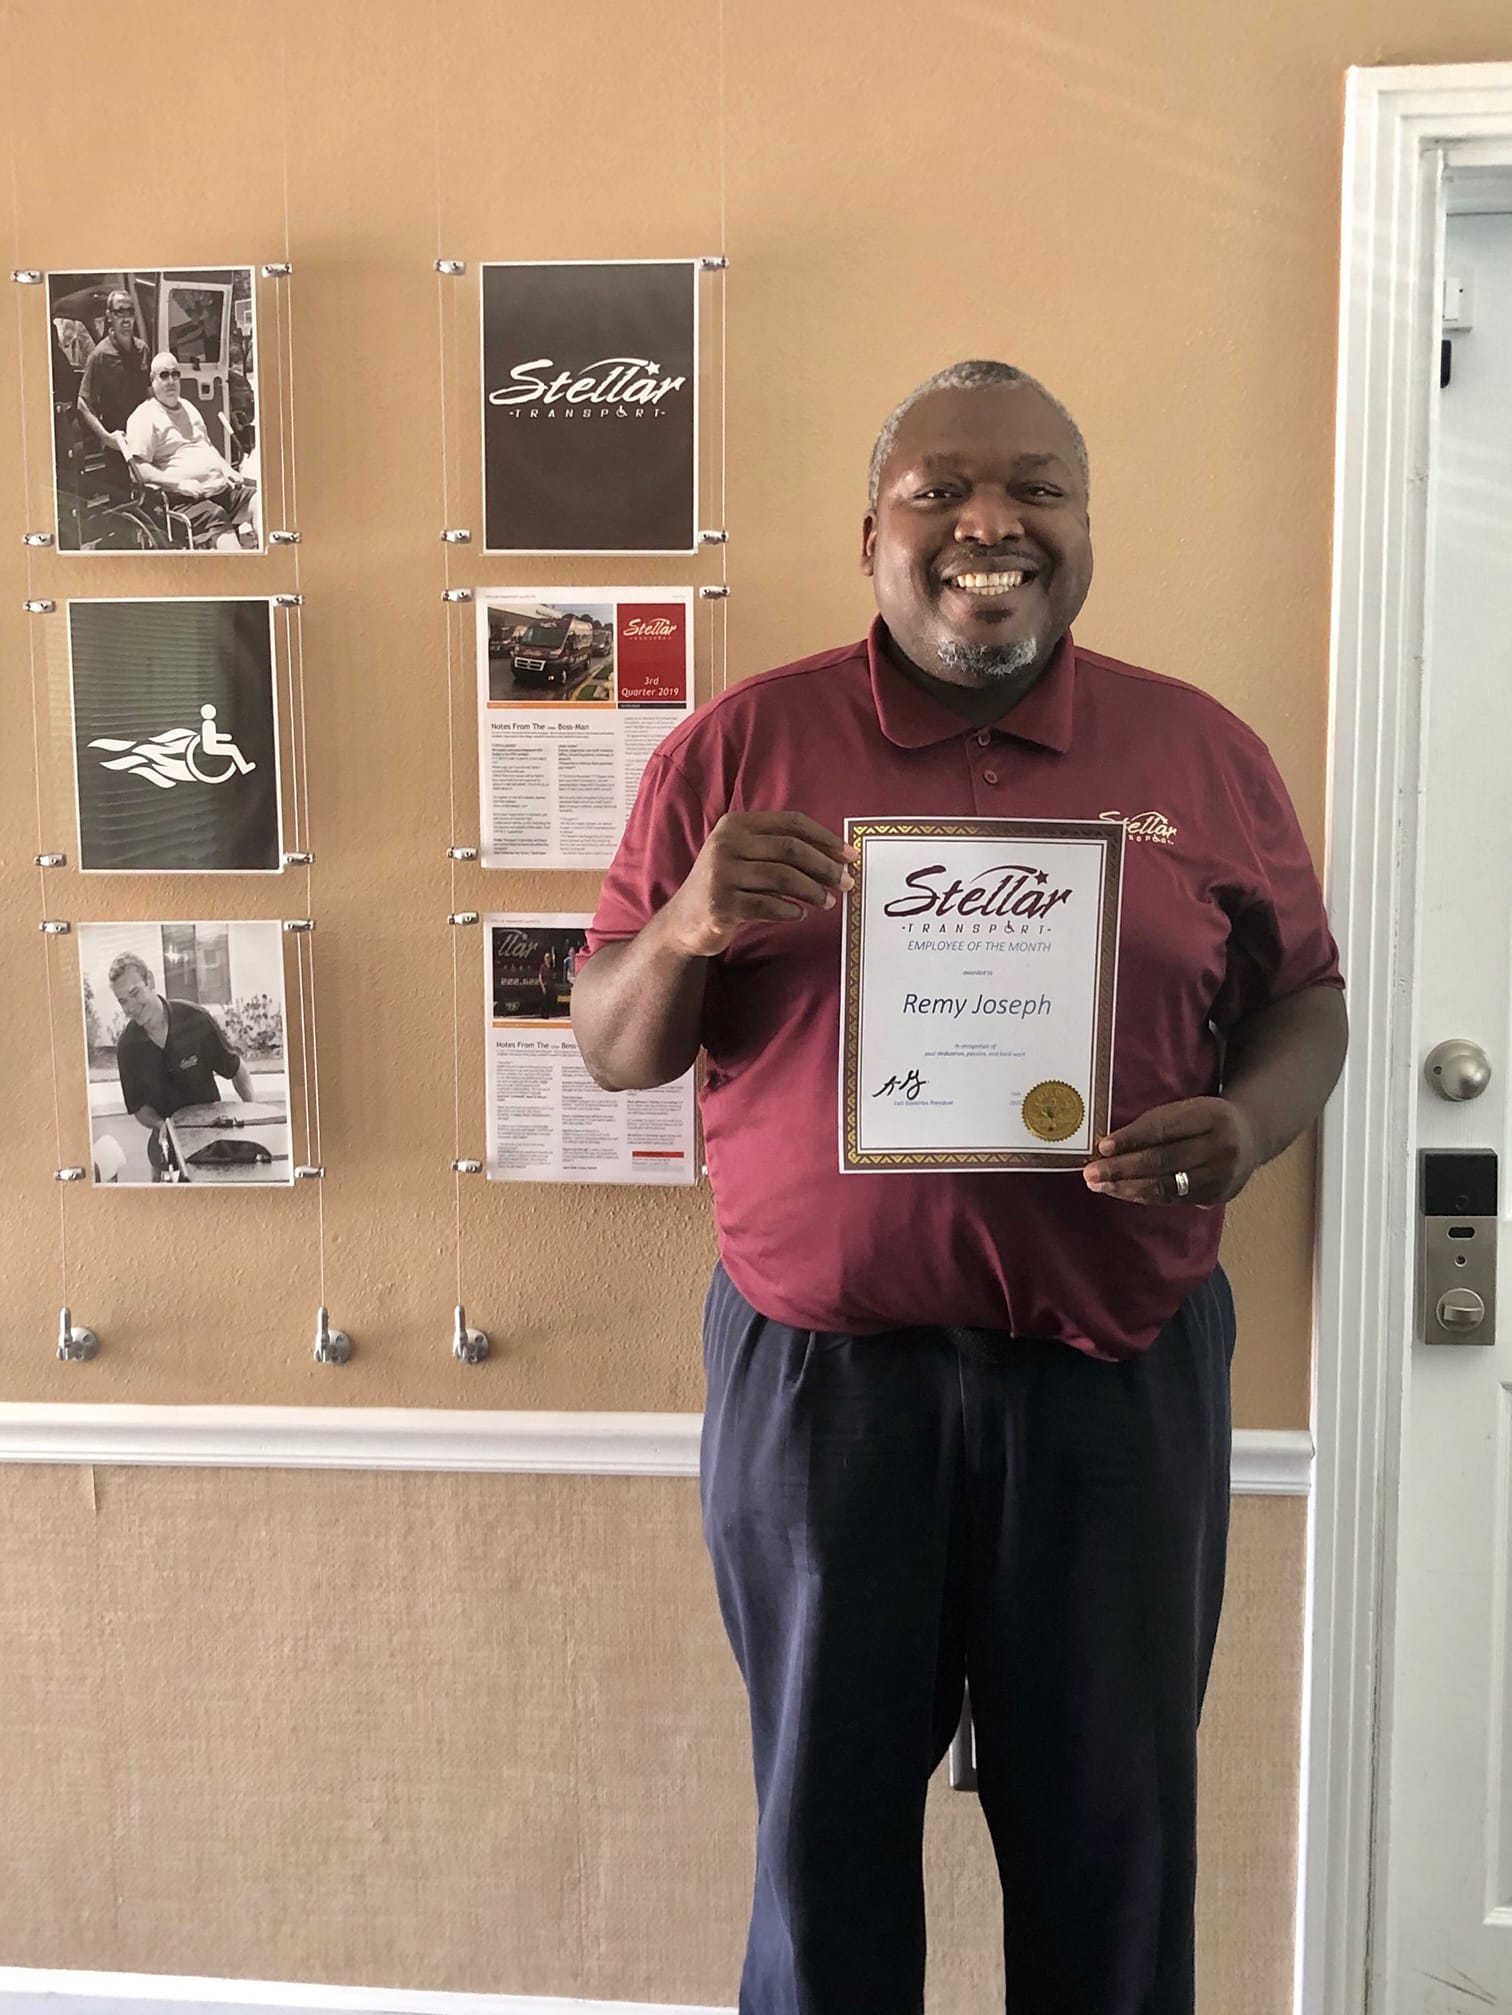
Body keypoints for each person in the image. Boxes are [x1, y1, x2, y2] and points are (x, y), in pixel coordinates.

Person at [572, 359, 1349, 2015]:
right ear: (872, 535)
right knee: (823, 1855)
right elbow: (616, 1047)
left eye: (1035, 489)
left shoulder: (1199, 750)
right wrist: (691, 922)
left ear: (1084, 528)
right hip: (824, 1391)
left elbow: (1305, 1000)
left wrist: (1250, 1119)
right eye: (940, 491)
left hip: (1115, 1379)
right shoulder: (741, 745)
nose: (989, 521)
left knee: (1112, 1853)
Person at [108, 951, 255, 1181]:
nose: (131, 1008)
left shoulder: (196, 1019)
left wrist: (253, 1116)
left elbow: (236, 1069)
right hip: (166, 1144)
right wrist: (161, 1125)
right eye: (123, 1001)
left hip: (212, 1137)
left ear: (151, 981)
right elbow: (139, 1107)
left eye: (135, 993)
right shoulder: (127, 1047)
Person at [123, 353, 259, 550]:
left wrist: (226, 469)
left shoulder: (188, 407)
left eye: (175, 374)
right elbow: (138, 470)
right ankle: (238, 567)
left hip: (218, 490)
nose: (171, 381)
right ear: (152, 380)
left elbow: (206, 446)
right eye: (164, 375)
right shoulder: (144, 416)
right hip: (184, 500)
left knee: (258, 502)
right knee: (216, 515)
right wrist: (178, 484)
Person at [75, 290, 150, 465]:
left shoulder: (143, 349)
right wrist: (107, 438)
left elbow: (149, 393)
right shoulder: (100, 355)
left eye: (129, 312)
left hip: (146, 440)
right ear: (109, 316)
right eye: (119, 312)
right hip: (118, 445)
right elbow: (83, 403)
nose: (125, 319)